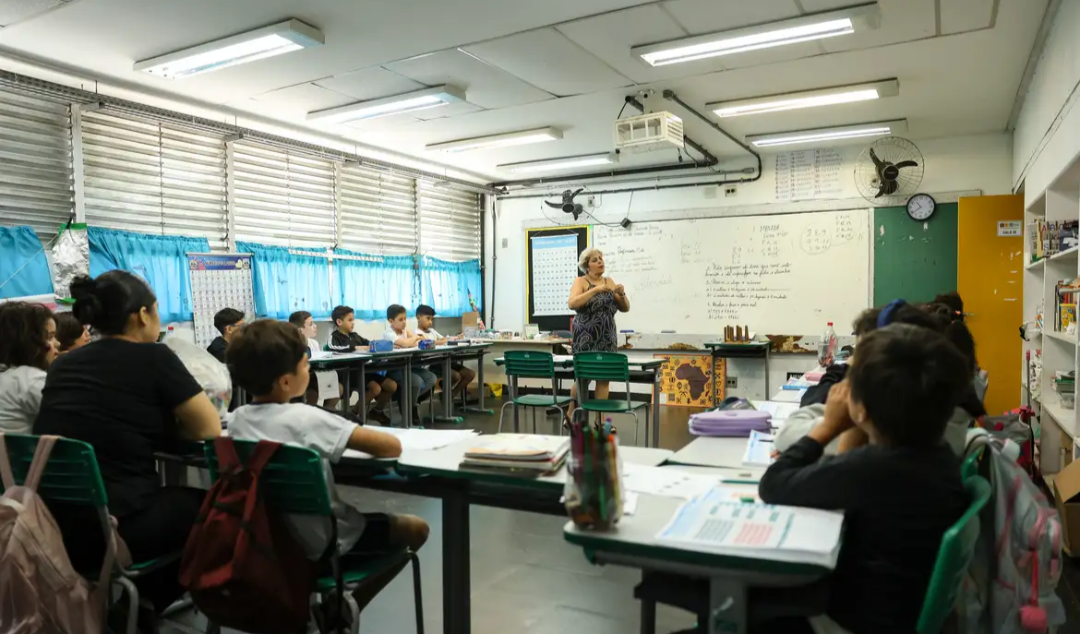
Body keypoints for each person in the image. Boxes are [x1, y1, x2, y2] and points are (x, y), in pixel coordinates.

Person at [34, 270, 222, 621]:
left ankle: (135, 602)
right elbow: (209, 427)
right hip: (116, 527)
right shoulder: (153, 356)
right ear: (143, 315)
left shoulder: (63, 365)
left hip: (54, 523)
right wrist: (168, 429)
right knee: (219, 507)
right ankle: (149, 601)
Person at [757, 324, 970, 634]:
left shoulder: (873, 468)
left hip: (848, 623)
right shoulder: (938, 457)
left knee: (752, 603)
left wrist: (827, 427)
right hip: (897, 614)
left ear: (860, 407)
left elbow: (773, 484)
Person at [226, 319, 428, 617]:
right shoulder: (307, 418)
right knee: (416, 528)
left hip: (261, 539)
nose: (309, 370)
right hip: (322, 545)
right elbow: (390, 447)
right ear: (286, 381)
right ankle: (344, 609)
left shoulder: (236, 421)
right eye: (305, 366)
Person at [567, 248, 629, 406]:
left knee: (603, 378)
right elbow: (572, 303)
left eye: (601, 258)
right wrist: (595, 290)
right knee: (583, 378)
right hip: (585, 337)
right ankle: (572, 412)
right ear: (587, 266)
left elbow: (625, 308)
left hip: (607, 336)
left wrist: (621, 294)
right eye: (595, 260)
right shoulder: (580, 281)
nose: (600, 261)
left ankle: (600, 422)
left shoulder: (609, 282)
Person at [328, 305, 395, 424]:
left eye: (353, 320)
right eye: (350, 320)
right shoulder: (334, 337)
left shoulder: (355, 336)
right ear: (339, 322)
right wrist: (357, 348)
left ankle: (375, 411)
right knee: (376, 388)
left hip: (365, 370)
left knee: (392, 385)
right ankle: (354, 413)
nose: (353, 323)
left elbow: (370, 344)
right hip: (349, 373)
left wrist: (383, 345)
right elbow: (332, 348)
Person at [0, 301, 57, 433]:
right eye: (50, 337)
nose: (58, 343)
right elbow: (76, 419)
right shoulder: (31, 380)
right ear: (30, 342)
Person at [383, 304, 438, 416]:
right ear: (391, 321)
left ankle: (407, 400)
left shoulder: (405, 331)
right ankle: (408, 411)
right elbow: (407, 343)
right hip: (394, 368)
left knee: (431, 378)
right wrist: (411, 340)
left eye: (405, 318)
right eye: (401, 319)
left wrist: (411, 341)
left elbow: (421, 341)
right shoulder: (388, 333)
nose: (404, 322)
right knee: (416, 382)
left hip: (409, 365)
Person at [415, 304, 475, 401]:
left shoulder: (432, 331)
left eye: (432, 319)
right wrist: (443, 341)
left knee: (470, 374)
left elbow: (443, 338)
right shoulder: (416, 333)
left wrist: (455, 338)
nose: (430, 322)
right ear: (418, 318)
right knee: (455, 375)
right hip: (432, 363)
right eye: (428, 319)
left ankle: (450, 395)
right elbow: (428, 343)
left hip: (444, 360)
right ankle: (446, 393)